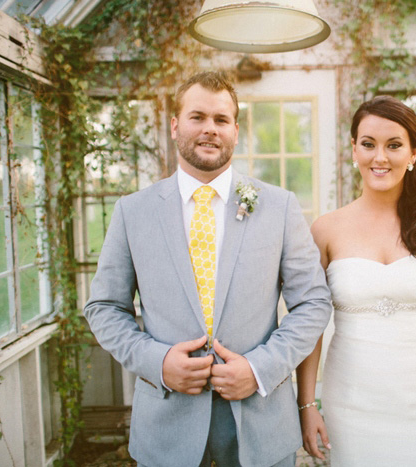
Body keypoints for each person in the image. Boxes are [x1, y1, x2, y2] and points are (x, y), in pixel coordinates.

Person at [84, 71, 332, 467]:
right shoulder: (133, 212)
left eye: (221, 120)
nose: (209, 129)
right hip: (167, 427)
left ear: (236, 129)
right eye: (198, 116)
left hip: (261, 423)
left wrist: (259, 367)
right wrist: (158, 362)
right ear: (175, 125)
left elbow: (314, 303)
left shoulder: (279, 207)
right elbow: (104, 308)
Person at [296, 95, 416, 466]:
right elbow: (311, 326)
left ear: (414, 153)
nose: (379, 157)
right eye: (368, 144)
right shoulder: (325, 230)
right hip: (351, 401)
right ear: (354, 149)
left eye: (394, 145)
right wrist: (307, 404)